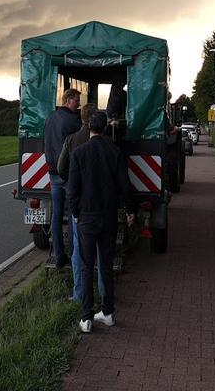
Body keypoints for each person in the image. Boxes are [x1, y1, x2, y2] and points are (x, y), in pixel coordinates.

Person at [67, 111, 136, 333]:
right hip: (108, 217)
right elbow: (125, 185)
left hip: (86, 217)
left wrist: (76, 213)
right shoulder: (115, 152)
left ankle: (86, 318)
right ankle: (107, 313)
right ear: (106, 127)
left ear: (88, 127)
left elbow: (73, 190)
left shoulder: (78, 153)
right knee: (106, 265)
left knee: (87, 266)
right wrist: (130, 210)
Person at [57, 103, 105, 302]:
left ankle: (79, 295)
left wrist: (71, 184)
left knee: (78, 249)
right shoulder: (107, 142)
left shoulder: (71, 139)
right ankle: (104, 294)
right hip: (100, 202)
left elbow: (61, 168)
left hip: (79, 203)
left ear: (82, 118)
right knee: (103, 250)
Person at [44, 87, 82, 268]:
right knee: (73, 213)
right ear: (68, 100)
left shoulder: (50, 118)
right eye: (76, 100)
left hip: (52, 173)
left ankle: (59, 255)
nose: (79, 104)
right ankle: (75, 254)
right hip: (67, 174)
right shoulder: (73, 120)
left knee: (56, 215)